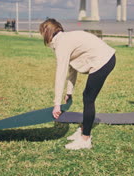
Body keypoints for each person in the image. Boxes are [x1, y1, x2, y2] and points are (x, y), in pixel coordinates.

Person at [39, 19, 116, 150]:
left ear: (47, 32)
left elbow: (61, 74)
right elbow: (72, 68)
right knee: (87, 96)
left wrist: (57, 104)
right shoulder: (64, 39)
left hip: (103, 60)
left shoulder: (62, 43)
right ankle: (83, 130)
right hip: (105, 58)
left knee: (88, 98)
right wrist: (69, 92)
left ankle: (85, 139)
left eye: (42, 32)